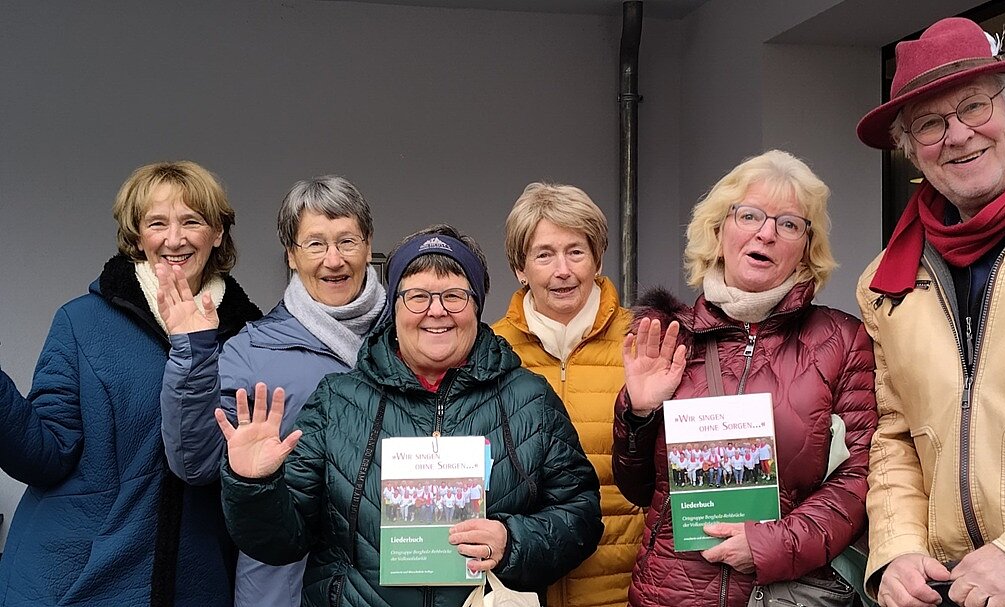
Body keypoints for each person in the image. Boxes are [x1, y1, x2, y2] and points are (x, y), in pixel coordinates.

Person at [217, 224, 603, 606]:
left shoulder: (529, 399)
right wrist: (255, 486)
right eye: (417, 296)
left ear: (477, 304)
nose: (436, 312)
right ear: (395, 307)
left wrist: (513, 541)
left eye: (454, 295)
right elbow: (280, 542)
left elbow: (581, 516)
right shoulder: (337, 401)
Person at [854, 17, 1005, 607]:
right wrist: (899, 549)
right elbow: (895, 436)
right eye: (929, 123)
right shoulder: (886, 283)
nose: (956, 135)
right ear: (911, 149)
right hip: (956, 590)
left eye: (975, 107)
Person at [612, 150, 877, 607]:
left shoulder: (842, 340)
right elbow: (637, 489)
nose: (767, 232)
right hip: (670, 591)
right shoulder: (671, 337)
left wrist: (771, 544)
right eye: (749, 215)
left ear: (806, 249)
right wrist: (638, 415)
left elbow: (863, 473)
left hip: (784, 592)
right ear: (718, 232)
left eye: (790, 224)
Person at [0, 161, 261, 606]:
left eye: (192, 221)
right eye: (156, 223)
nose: (174, 239)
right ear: (137, 235)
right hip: (75, 581)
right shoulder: (82, 321)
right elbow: (45, 454)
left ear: (218, 233)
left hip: (195, 585)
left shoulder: (251, 336)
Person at [157, 175, 386, 607]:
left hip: (394, 582)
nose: (333, 260)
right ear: (291, 255)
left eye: (347, 242)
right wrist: (191, 355)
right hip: (285, 587)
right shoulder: (251, 350)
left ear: (369, 246)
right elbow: (196, 462)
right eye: (315, 244)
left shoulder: (414, 335)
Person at [493, 181, 645, 607]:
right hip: (519, 590)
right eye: (544, 254)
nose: (563, 269)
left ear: (597, 259)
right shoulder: (486, 353)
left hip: (623, 588)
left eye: (576, 251)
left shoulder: (642, 343)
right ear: (520, 268)